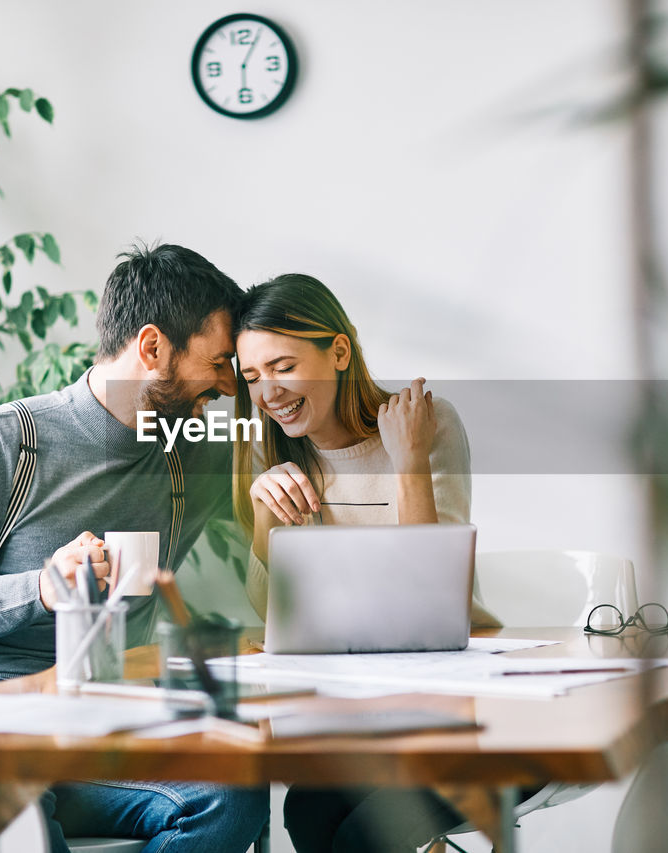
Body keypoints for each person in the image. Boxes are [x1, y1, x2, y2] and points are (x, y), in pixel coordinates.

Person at [0, 243, 268, 853]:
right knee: (23, 825)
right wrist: (41, 586)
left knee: (232, 792)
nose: (228, 384)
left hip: (101, 709)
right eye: (220, 361)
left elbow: (301, 458)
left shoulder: (189, 454)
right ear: (152, 348)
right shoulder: (0, 445)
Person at [230, 272, 499, 853]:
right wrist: (266, 522)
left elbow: (432, 592)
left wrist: (409, 462)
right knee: (305, 809)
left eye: (282, 366)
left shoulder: (425, 424)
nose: (267, 392)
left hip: (452, 708)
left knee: (360, 835)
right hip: (353, 709)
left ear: (340, 351)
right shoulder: (271, 446)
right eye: (251, 376)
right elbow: (273, 615)